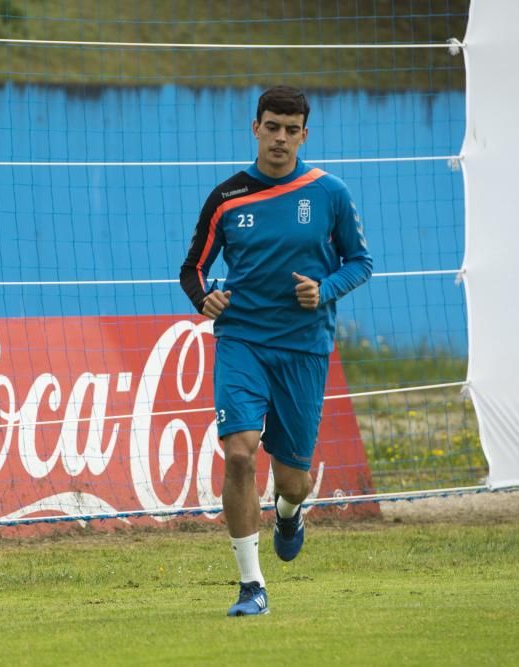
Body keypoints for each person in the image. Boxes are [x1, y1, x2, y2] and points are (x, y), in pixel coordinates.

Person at [179, 86, 372, 616]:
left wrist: (324, 289)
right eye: (272, 127)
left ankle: (289, 512)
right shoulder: (226, 198)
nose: (280, 138)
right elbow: (191, 268)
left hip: (304, 349)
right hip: (242, 340)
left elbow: (360, 262)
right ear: (255, 128)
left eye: (291, 130)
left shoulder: (329, 192)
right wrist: (205, 297)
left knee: (293, 479)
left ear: (304, 135)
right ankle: (251, 586)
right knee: (239, 453)